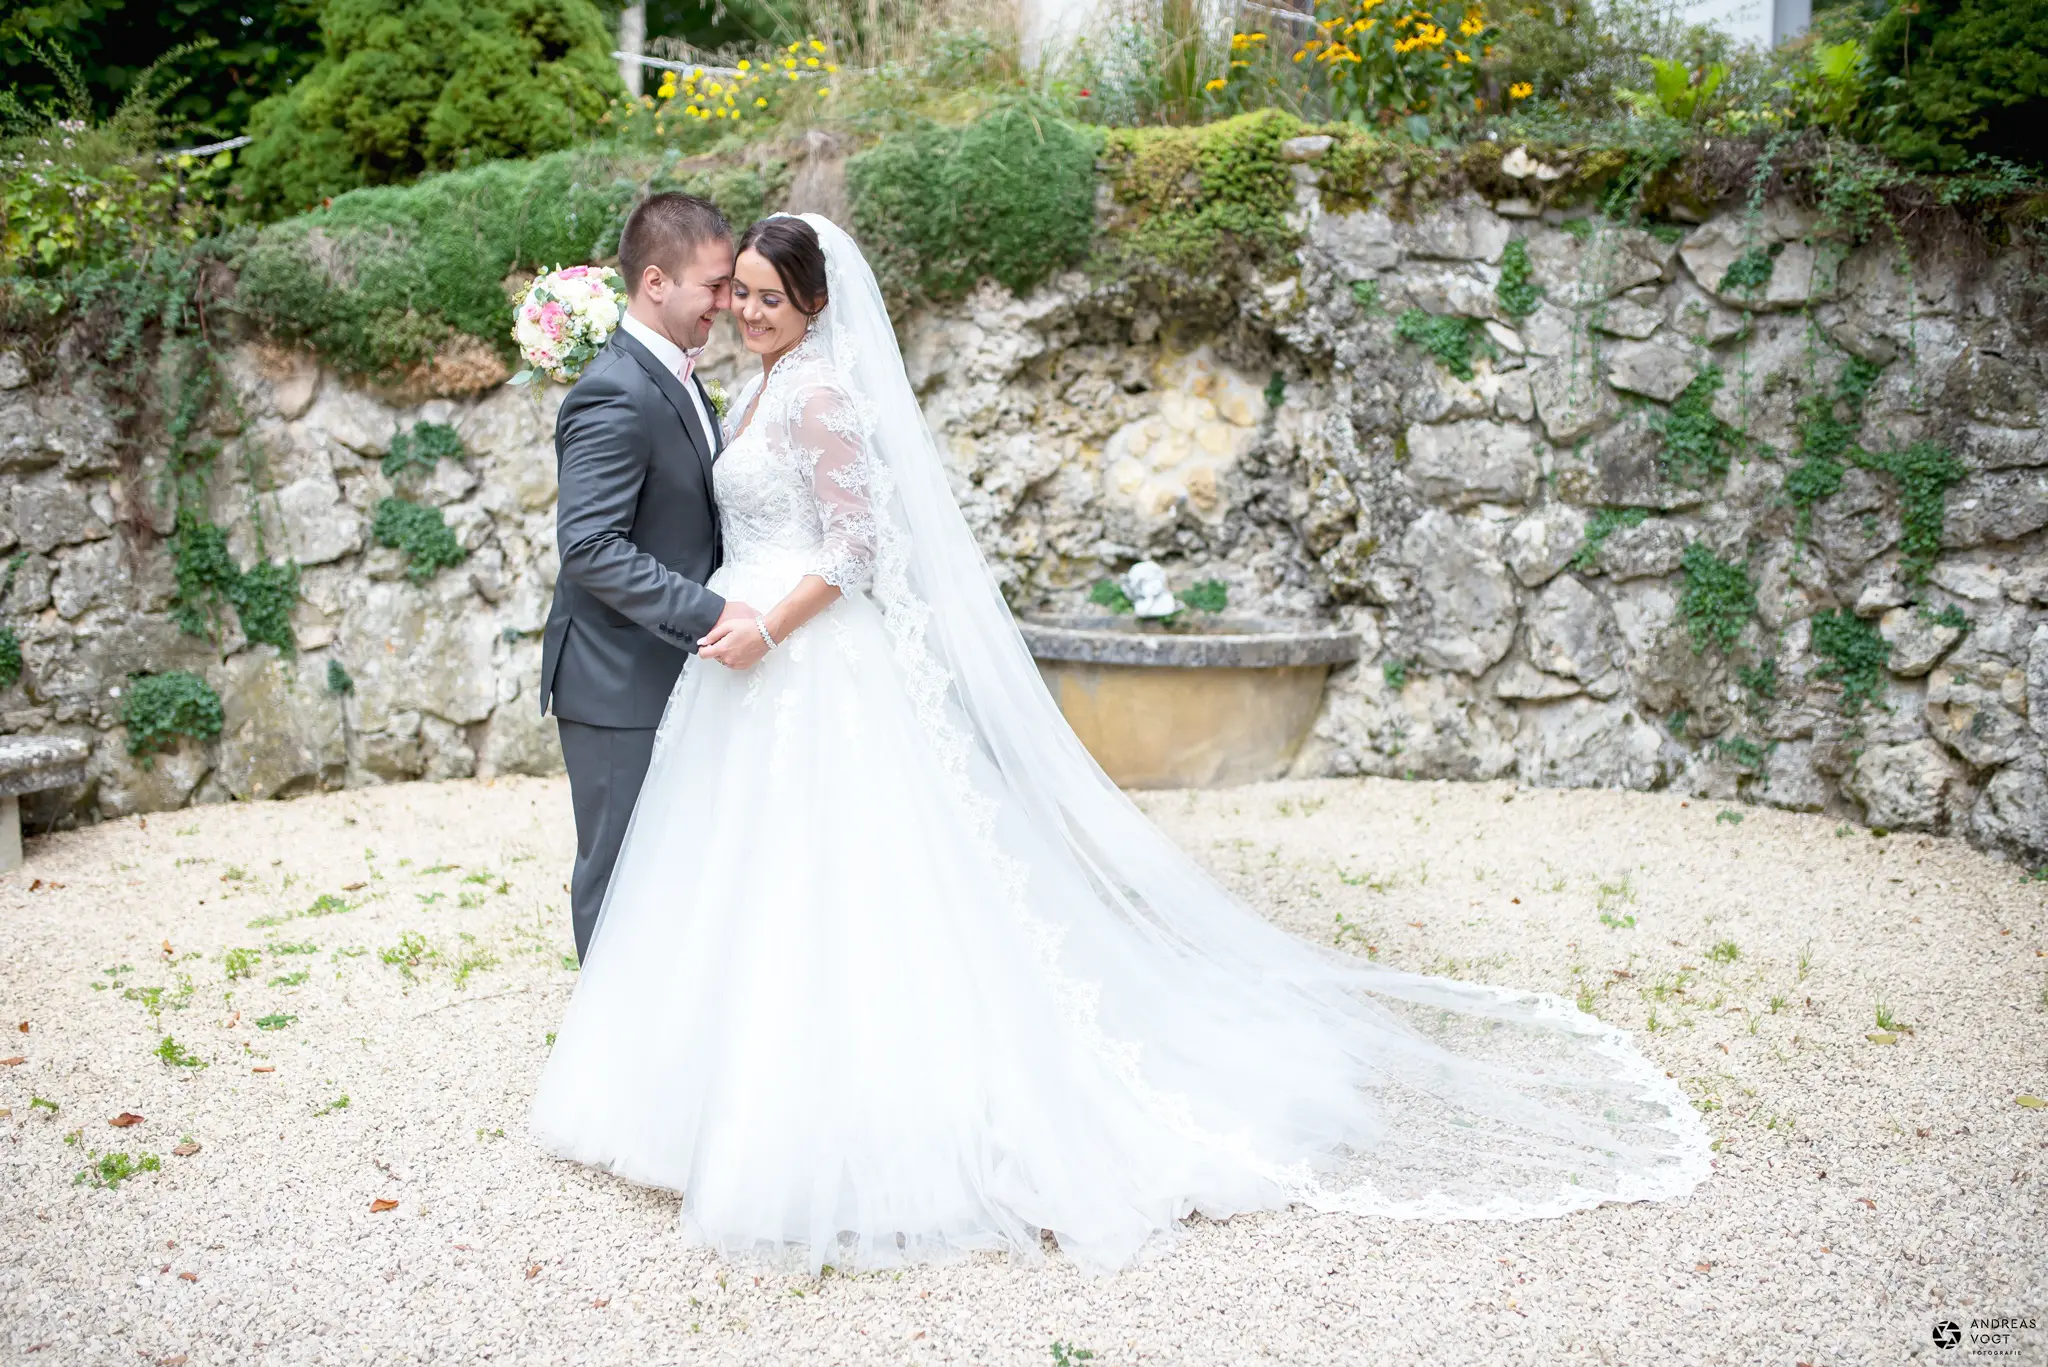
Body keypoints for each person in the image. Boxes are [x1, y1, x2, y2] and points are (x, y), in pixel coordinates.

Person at [527, 212, 1712, 1276]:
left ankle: (848, 1112)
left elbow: (855, 547)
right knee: (746, 881)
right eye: (732, 292)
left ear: (816, 307)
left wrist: (758, 625)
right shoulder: (742, 387)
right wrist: (731, 624)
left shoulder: (823, 393)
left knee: (849, 884)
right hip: (737, 662)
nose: (741, 310)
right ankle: (710, 1093)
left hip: (792, 653)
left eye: (763, 299)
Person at [537, 192, 758, 965]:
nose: (727, 303)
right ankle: (600, 1070)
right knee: (620, 870)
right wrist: (714, 611)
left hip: (668, 671)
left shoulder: (676, 374)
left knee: (672, 868)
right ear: (656, 282)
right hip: (616, 680)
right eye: (716, 284)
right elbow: (591, 547)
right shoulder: (614, 390)